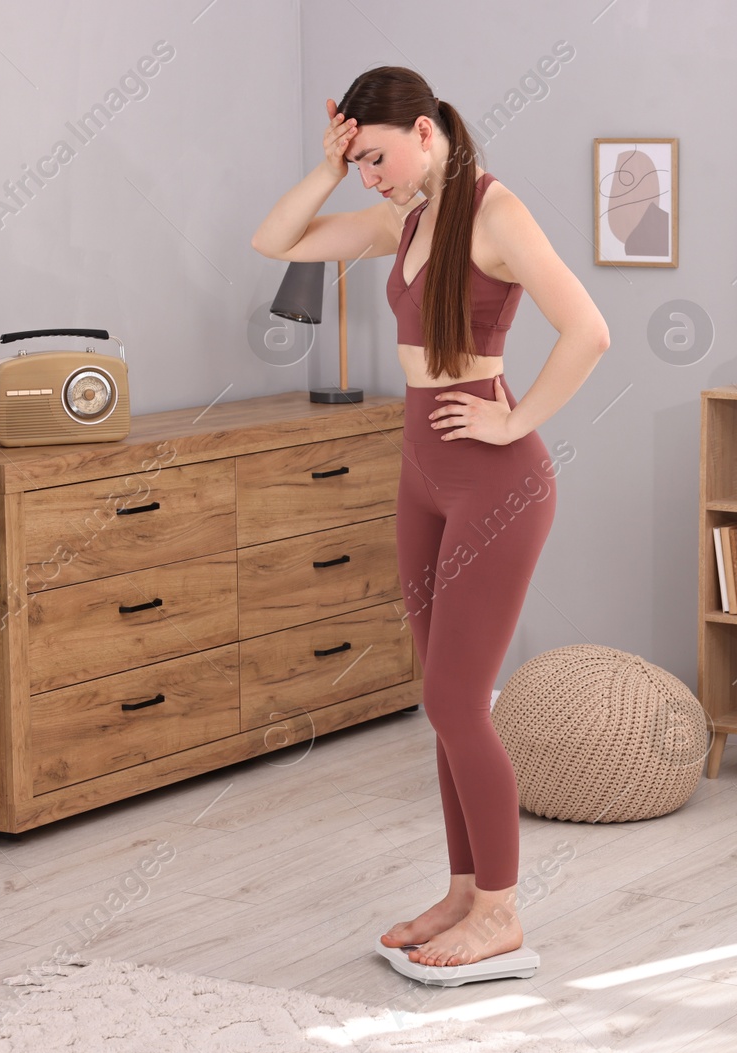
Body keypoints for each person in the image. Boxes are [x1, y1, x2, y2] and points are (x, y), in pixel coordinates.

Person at [251, 66, 609, 968]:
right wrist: (330, 167)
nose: (370, 176)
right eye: (358, 162)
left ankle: (502, 910)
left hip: (495, 479)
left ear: (422, 130)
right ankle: (463, 891)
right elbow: (275, 240)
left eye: (375, 157)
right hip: (422, 471)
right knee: (442, 704)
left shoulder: (495, 213)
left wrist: (515, 418)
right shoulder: (402, 215)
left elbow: (589, 330)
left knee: (457, 698)